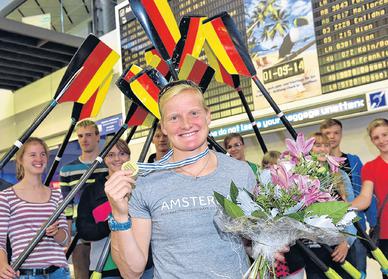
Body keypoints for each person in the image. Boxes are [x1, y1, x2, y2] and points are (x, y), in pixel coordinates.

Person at [104, 80, 286, 278]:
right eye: (174, 117)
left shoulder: (241, 173)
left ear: (208, 115)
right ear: (163, 126)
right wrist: (120, 216)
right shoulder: (146, 182)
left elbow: (248, 243)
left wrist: (268, 245)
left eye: (194, 113)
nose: (186, 124)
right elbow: (132, 272)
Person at [76, 139, 153, 279]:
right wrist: (114, 220)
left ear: (129, 156)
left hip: (142, 264)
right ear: (104, 158)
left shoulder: (143, 185)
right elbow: (84, 231)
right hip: (105, 266)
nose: (117, 158)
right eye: (111, 155)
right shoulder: (92, 191)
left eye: (122, 153)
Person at [0, 137, 70, 279]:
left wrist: (56, 232)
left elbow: (65, 240)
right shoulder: (6, 196)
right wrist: (2, 265)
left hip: (59, 272)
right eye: (32, 154)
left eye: (42, 154)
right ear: (20, 159)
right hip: (26, 274)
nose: (39, 158)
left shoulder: (56, 195)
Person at [320, 118, 377, 274]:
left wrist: (373, 223)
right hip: (329, 231)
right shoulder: (315, 167)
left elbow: (367, 194)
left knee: (358, 272)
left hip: (356, 227)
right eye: (327, 134)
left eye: (336, 133)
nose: (332, 137)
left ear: (341, 135)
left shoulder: (353, 161)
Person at [303, 132, 356, 279]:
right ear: (308, 149)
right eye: (317, 145)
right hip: (313, 247)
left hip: (340, 245)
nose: (322, 149)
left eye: (326, 145)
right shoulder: (300, 177)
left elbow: (350, 211)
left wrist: (347, 242)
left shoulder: (340, 175)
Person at [60, 119, 108, 279]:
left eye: (88, 135)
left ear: (97, 136)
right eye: (80, 136)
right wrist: (68, 236)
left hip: (105, 227)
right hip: (78, 231)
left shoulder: (108, 165)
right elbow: (66, 206)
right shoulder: (67, 170)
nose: (84, 140)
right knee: (81, 274)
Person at [351, 118, 388, 279]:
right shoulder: (370, 167)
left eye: (385, 134)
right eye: (376, 137)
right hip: (386, 234)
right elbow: (365, 198)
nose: (382, 140)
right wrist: (340, 207)